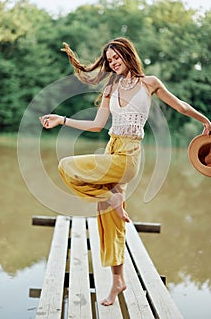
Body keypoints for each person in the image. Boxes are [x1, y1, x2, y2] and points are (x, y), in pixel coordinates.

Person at [40, 37, 211, 306]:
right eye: (109, 60)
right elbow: (98, 124)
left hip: (129, 155)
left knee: (67, 166)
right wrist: (61, 119)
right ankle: (118, 280)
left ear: (128, 55)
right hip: (111, 148)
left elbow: (180, 105)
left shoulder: (150, 83)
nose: (113, 63)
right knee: (109, 222)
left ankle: (113, 199)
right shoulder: (112, 86)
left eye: (116, 58)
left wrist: (205, 120)